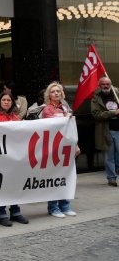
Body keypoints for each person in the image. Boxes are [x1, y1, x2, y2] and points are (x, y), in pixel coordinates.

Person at [0, 92, 29, 227]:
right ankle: (0, 213)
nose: (6, 102)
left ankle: (15, 211)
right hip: (0, 159)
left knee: (15, 184)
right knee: (1, 186)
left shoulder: (16, 118)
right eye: (4, 100)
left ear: (12, 103)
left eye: (9, 100)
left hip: (15, 159)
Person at [41, 81, 79, 218]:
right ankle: (53, 207)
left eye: (58, 91)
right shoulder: (47, 109)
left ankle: (65, 205)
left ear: (62, 94)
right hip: (53, 147)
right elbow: (53, 125)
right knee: (54, 178)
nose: (56, 93)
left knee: (65, 177)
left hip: (66, 147)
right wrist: (65, 118)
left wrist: (76, 145)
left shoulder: (65, 107)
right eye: (53, 91)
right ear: (49, 95)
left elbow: (71, 128)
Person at [91, 77, 119, 187]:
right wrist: (113, 113)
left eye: (108, 84)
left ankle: (116, 169)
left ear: (111, 84)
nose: (106, 86)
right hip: (105, 131)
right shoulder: (96, 97)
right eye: (103, 84)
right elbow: (96, 114)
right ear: (99, 85)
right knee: (109, 156)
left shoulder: (117, 93)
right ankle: (111, 178)